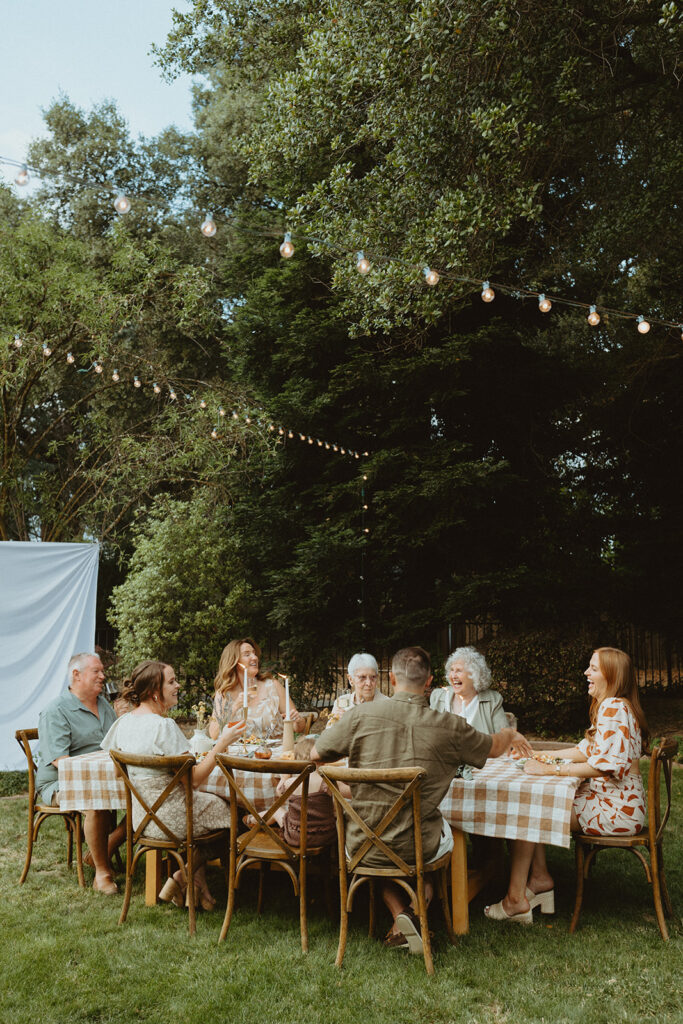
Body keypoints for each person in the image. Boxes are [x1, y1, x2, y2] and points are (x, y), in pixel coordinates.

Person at [311, 646, 532, 953]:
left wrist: (349, 786)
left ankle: (402, 914)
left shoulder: (359, 715)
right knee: (437, 832)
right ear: (429, 682)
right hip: (418, 845)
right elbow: (493, 748)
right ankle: (418, 907)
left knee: (381, 842)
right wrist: (510, 734)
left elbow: (316, 754)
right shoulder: (447, 725)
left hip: (362, 841)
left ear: (390, 680)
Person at [484, 646, 648, 924]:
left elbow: (603, 767)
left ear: (612, 675)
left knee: (530, 809)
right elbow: (584, 751)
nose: (586, 672)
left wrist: (549, 769)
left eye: (593, 668)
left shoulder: (614, 708)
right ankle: (538, 880)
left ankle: (516, 900)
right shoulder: (614, 706)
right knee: (534, 801)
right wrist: (537, 755)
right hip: (617, 804)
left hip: (616, 811)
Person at [101, 660, 245, 910]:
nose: (178, 685)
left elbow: (117, 771)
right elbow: (197, 780)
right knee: (239, 816)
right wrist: (221, 743)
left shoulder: (123, 722)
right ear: (155, 692)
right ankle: (182, 875)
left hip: (142, 819)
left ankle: (195, 886)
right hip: (174, 819)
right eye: (172, 681)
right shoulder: (163, 726)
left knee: (213, 809)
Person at [36, 652, 128, 895]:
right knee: (95, 800)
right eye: (96, 671)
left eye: (102, 671)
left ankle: (105, 847)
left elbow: (116, 745)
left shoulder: (104, 705)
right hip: (59, 783)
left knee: (148, 796)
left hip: (103, 778)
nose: (103, 675)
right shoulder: (56, 710)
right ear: (76, 675)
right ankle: (102, 873)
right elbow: (60, 762)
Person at [244, 736, 347, 847]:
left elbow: (280, 793)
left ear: (296, 760)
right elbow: (352, 793)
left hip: (296, 836)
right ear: (324, 761)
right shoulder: (328, 782)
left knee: (277, 811)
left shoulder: (291, 783)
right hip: (326, 836)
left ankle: (252, 819)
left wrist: (284, 778)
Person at [208, 638, 303, 740]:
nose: (254, 657)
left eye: (254, 653)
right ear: (234, 661)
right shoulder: (224, 693)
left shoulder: (273, 686)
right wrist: (235, 706)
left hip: (273, 753)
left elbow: (298, 727)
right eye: (247, 654)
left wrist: (298, 722)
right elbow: (214, 734)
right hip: (239, 754)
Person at [430, 646, 508, 733]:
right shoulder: (438, 697)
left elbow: (504, 737)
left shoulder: (492, 701)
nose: (453, 676)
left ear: (474, 675)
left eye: (459, 670)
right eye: (452, 670)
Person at [325, 652, 388, 728]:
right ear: (351, 679)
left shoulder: (387, 705)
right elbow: (329, 735)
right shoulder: (342, 702)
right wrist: (335, 724)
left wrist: (350, 721)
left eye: (373, 677)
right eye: (362, 677)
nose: (368, 683)